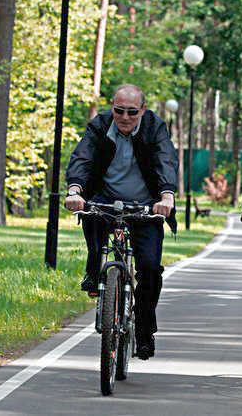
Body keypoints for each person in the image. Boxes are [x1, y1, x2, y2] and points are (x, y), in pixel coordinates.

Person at [64, 83, 178, 360]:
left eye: (131, 112)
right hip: (104, 200)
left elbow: (166, 160)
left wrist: (166, 196)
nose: (125, 117)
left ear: (143, 110)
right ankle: (94, 272)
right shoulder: (100, 125)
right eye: (119, 110)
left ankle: (144, 332)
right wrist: (75, 190)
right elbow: (83, 157)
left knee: (149, 268)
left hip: (146, 205)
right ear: (112, 108)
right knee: (95, 235)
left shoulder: (155, 128)